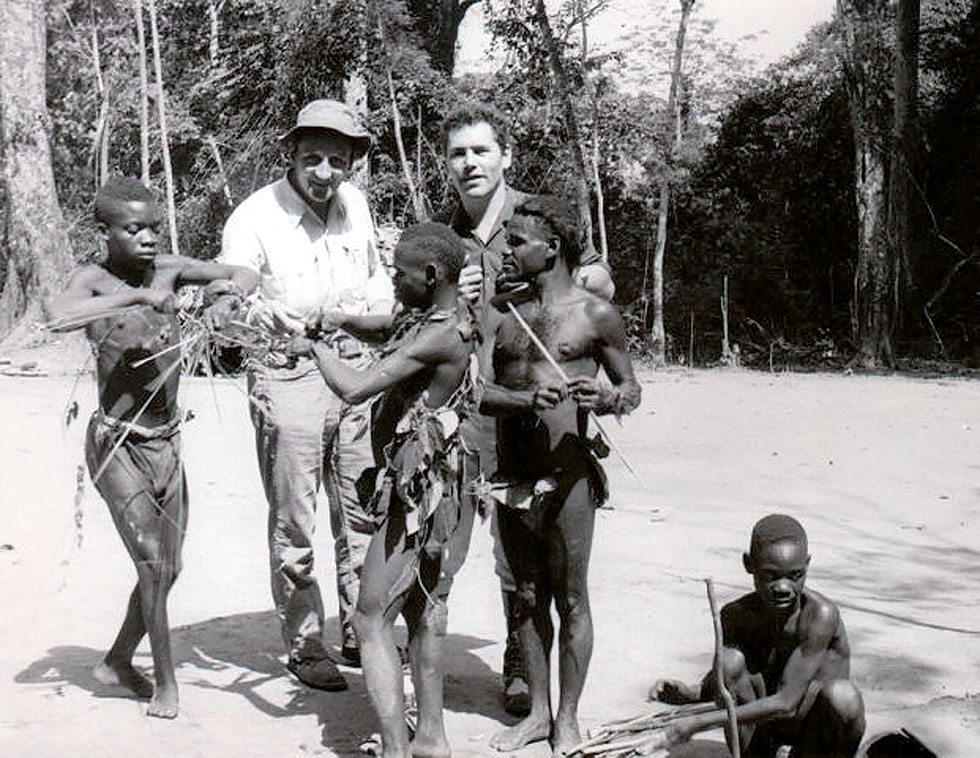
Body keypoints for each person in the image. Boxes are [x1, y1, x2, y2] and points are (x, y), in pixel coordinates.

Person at [47, 176, 259, 718]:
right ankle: (166, 684)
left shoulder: (169, 267)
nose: (146, 239)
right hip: (119, 443)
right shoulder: (92, 282)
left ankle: (117, 661)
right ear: (105, 231)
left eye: (152, 229)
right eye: (132, 229)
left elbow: (244, 271)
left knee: (171, 565)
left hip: (167, 440)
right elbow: (56, 316)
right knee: (152, 566)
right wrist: (139, 296)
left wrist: (225, 297)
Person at [438, 103, 616, 716]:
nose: (469, 164)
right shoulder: (441, 231)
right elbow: (422, 312)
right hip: (471, 405)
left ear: (506, 155)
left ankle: (523, 668)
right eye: (458, 153)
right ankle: (426, 658)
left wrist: (546, 287)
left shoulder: (539, 218)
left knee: (531, 562)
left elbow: (597, 283)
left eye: (481, 150)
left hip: (539, 410)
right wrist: (452, 295)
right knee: (448, 536)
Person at [220, 99, 394, 689]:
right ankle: (303, 642)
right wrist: (242, 304)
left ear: (353, 164)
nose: (324, 173)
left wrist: (360, 320)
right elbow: (235, 285)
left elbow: (377, 284)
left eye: (337, 161)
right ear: (291, 155)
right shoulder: (254, 217)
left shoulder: (358, 209)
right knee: (295, 512)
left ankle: (360, 625)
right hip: (286, 369)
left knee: (363, 502)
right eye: (313, 159)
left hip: (354, 367)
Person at [292, 222, 475, 758]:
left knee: (370, 616)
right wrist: (345, 320)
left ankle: (396, 748)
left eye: (399, 273)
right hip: (438, 487)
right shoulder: (435, 318)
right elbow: (391, 331)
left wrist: (312, 347)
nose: (392, 280)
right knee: (423, 610)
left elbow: (353, 389)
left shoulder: (442, 335)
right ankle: (432, 740)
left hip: (423, 494)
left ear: (433, 274)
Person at [479, 195, 642, 756]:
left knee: (571, 599)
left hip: (569, 474)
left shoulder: (595, 314)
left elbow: (632, 391)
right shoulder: (500, 312)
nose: (508, 250)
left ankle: (567, 718)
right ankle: (538, 715)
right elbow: (475, 392)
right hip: (513, 476)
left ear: (552, 249)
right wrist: (523, 399)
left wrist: (605, 395)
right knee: (525, 596)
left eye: (518, 242)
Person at [649, 514, 866, 758]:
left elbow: (786, 703)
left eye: (795, 576)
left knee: (843, 697)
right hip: (766, 724)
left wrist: (698, 723)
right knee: (729, 662)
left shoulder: (819, 616)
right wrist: (691, 693)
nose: (783, 588)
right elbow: (728, 682)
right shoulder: (735, 615)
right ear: (748, 564)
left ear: (807, 565)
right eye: (771, 576)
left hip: (813, 727)